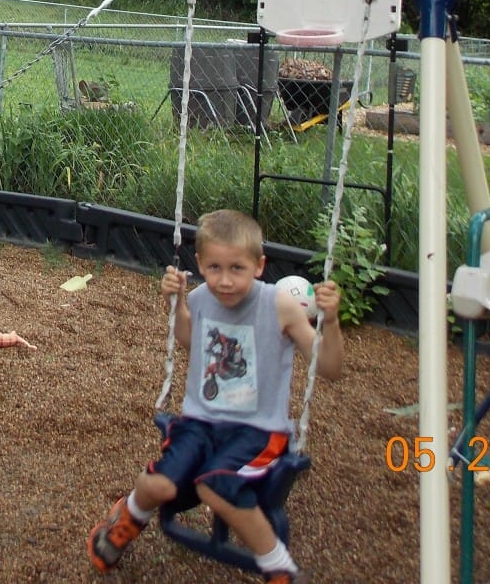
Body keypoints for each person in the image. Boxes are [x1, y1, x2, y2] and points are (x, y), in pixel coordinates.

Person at [87, 209, 344, 584]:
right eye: (214, 268)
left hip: (257, 431)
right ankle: (126, 517)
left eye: (237, 268)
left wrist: (332, 322)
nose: (225, 281)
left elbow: (331, 368)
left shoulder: (279, 306)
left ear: (259, 266)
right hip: (199, 422)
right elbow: (191, 342)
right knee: (159, 484)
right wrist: (176, 307)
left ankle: (280, 567)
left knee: (215, 483)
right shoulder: (202, 298)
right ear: (200, 265)